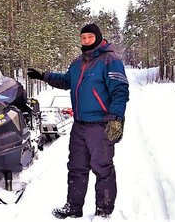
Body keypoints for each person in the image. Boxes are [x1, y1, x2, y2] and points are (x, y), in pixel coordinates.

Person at [27, 23, 129, 219]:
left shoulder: (110, 60)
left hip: (101, 124)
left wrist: (116, 118)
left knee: (103, 168)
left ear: (98, 37)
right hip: (80, 126)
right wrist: (44, 76)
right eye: (83, 38)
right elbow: (66, 81)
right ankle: (74, 208)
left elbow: (120, 91)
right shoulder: (77, 63)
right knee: (76, 167)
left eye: (89, 37)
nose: (86, 41)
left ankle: (104, 211)